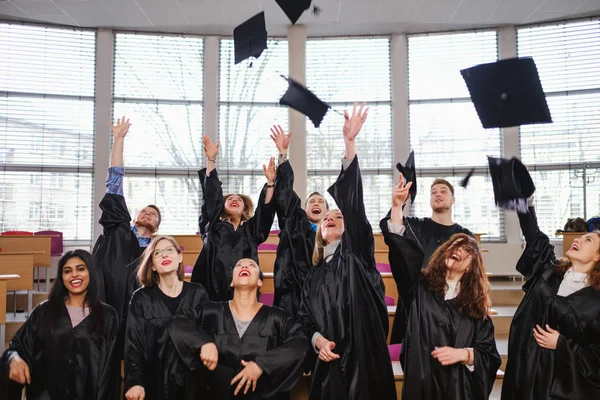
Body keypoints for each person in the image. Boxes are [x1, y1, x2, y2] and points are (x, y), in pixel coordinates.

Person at [296, 103, 397, 400]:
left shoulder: (357, 254)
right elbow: (304, 318)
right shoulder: (313, 276)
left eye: (338, 216)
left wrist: (349, 145)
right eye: (327, 218)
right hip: (328, 365)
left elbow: (353, 205)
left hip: (365, 360)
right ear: (319, 232)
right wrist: (317, 341)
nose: (331, 217)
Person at [382, 175, 501, 399]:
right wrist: (397, 205)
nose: (458, 250)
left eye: (466, 250)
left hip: (458, 389)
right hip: (421, 380)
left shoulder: (474, 306)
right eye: (454, 246)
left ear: (470, 267)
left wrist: (463, 355)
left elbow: (489, 355)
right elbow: (400, 249)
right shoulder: (419, 288)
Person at [501, 196, 600, 400]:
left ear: (598, 256)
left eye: (587, 239)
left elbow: (596, 357)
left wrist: (561, 344)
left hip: (559, 384)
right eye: (579, 237)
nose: (577, 239)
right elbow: (533, 234)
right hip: (525, 368)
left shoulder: (595, 301)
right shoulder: (548, 271)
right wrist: (523, 197)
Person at [171, 258, 309, 399]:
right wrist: (203, 342)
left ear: (259, 282)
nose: (244, 266)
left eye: (251, 265)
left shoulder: (276, 317)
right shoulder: (212, 312)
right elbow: (179, 320)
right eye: (239, 265)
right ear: (231, 281)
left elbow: (300, 340)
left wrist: (262, 364)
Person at [0, 250, 120, 399]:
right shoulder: (44, 311)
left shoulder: (107, 316)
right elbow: (16, 348)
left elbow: (110, 373)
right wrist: (14, 358)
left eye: (81, 269)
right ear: (61, 278)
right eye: (67, 271)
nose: (74, 275)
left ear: (91, 273)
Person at [382, 175, 474, 344]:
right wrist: (397, 204)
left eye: (443, 191)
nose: (438, 194)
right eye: (433, 192)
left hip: (452, 310)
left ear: (453, 199)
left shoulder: (464, 236)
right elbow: (394, 234)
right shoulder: (415, 226)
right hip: (415, 306)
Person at [92, 116, 162, 328]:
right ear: (134, 217)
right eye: (144, 211)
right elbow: (114, 183)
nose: (147, 214)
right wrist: (119, 141)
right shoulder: (118, 229)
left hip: (137, 313)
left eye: (153, 214)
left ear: (157, 226)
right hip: (106, 300)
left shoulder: (157, 250)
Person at [190, 136, 276, 301]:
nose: (235, 200)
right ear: (222, 207)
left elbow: (265, 213)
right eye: (230, 199)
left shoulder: (252, 230)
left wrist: (271, 183)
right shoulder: (212, 226)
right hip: (211, 294)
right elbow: (211, 197)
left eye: (239, 200)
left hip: (244, 294)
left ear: (245, 209)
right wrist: (211, 160)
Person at [124, 236, 209, 400]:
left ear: (180, 257)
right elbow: (133, 346)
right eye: (157, 253)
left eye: (169, 250)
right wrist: (135, 381)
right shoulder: (141, 298)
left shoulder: (198, 293)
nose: (164, 255)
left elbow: (207, 338)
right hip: (154, 384)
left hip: (193, 385)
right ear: (153, 266)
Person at [269, 125, 329, 315]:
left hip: (322, 297)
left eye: (321, 202)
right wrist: (283, 154)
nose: (316, 203)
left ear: (327, 212)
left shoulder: (333, 234)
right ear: (304, 209)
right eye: (312, 201)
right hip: (291, 296)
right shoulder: (295, 222)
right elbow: (285, 195)